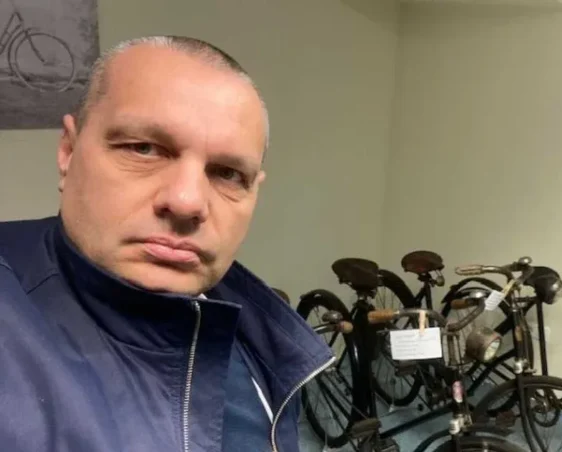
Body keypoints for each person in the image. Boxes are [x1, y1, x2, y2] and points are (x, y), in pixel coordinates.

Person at [0, 36, 333, 452]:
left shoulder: (263, 350)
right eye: (144, 149)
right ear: (68, 151)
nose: (187, 201)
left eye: (228, 173)